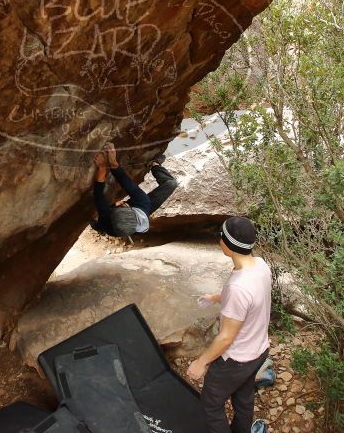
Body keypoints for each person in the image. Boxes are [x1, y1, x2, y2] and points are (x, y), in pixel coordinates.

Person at [186, 217, 271, 433]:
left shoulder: (237, 287)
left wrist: (201, 362)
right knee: (243, 399)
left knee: (211, 403)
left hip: (236, 360)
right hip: (259, 351)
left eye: (221, 237)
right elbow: (251, 299)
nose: (219, 240)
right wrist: (216, 297)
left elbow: (225, 337)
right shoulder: (260, 265)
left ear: (229, 245)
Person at [91, 142, 178, 238]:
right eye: (120, 205)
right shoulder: (143, 201)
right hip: (143, 208)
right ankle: (155, 164)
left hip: (116, 224)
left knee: (102, 222)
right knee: (171, 184)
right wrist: (113, 162)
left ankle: (99, 227)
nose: (118, 203)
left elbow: (98, 194)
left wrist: (102, 167)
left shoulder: (111, 227)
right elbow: (126, 182)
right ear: (128, 206)